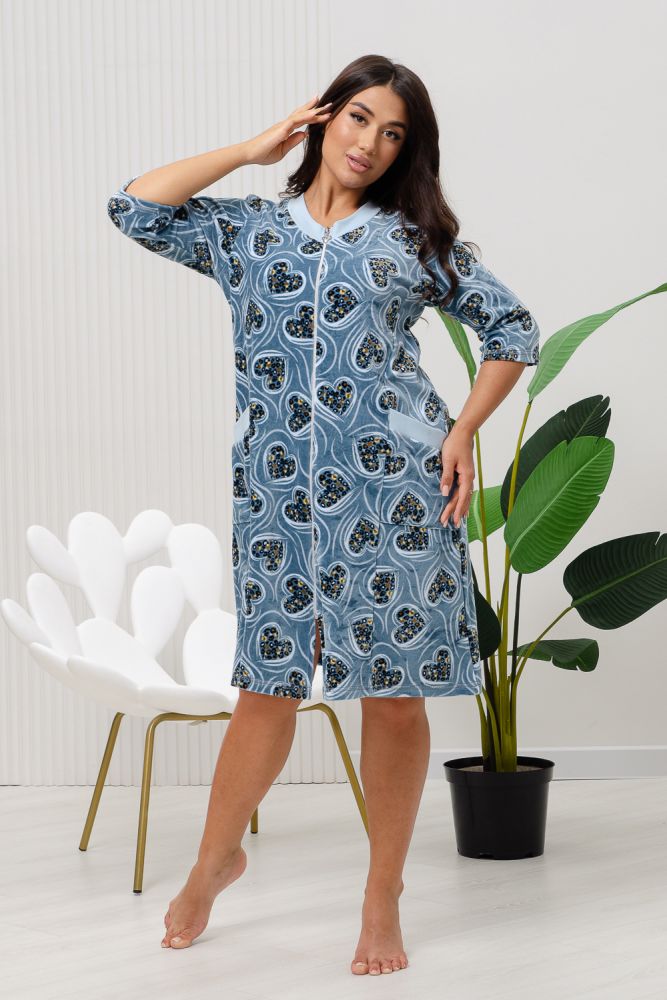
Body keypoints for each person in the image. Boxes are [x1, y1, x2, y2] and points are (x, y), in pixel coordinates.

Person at [107, 53, 540, 975]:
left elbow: (513, 329)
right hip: (276, 494)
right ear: (323, 119)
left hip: (395, 493)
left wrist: (461, 430)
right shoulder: (248, 231)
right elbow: (134, 206)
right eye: (357, 118)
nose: (370, 144)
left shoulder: (413, 241)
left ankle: (382, 894)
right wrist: (250, 149)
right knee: (267, 685)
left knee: (394, 695)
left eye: (393, 134)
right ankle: (214, 861)